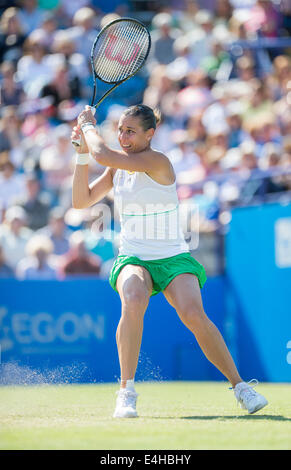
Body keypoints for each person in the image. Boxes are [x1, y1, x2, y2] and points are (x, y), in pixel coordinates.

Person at [71, 103, 268, 418]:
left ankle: (241, 387)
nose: (123, 136)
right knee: (133, 298)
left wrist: (88, 126)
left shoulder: (157, 161)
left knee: (193, 314)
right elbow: (81, 200)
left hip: (173, 255)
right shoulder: (117, 167)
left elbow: (103, 154)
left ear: (150, 134)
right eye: (120, 130)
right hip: (133, 255)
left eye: (130, 131)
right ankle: (126, 392)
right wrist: (81, 154)